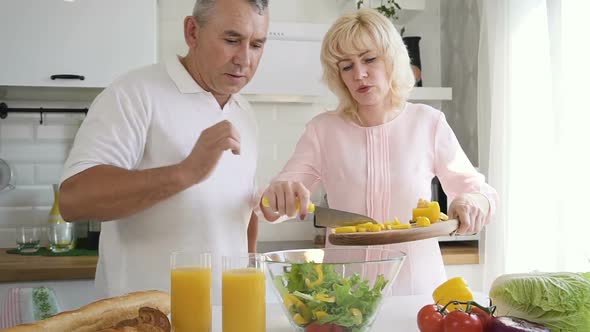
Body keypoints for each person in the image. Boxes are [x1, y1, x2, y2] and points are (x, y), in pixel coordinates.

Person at [259, 8, 499, 295]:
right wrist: (278, 197)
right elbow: (273, 204)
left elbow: (482, 193)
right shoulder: (322, 131)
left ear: (393, 60)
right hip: (344, 294)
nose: (359, 74)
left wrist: (473, 201)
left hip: (417, 293)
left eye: (370, 59)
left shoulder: (428, 123)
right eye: (346, 66)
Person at [59, 0, 269, 300]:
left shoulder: (244, 112)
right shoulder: (134, 93)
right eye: (231, 40)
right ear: (192, 32)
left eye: (257, 44)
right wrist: (186, 173)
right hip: (144, 320)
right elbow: (73, 200)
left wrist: (263, 211)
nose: (244, 59)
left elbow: (238, 219)